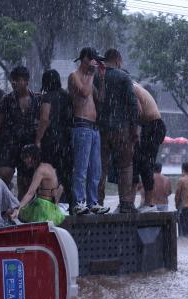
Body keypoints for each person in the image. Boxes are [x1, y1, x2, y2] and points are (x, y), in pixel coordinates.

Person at [95, 48, 140, 213]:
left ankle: (98, 202)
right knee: (125, 165)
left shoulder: (96, 76)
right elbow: (132, 104)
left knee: (101, 166)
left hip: (100, 129)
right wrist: (134, 129)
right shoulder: (123, 77)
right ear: (118, 59)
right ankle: (126, 203)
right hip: (122, 129)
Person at [68, 47, 109, 215]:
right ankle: (78, 202)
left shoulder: (91, 79)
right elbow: (84, 93)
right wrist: (92, 74)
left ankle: (93, 202)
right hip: (81, 126)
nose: (94, 63)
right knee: (81, 168)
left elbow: (101, 98)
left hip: (94, 128)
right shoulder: (74, 76)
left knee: (95, 169)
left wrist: (102, 78)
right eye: (92, 60)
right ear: (84, 59)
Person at [0, 66, 40, 194]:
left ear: (26, 81)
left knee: (25, 181)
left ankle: (22, 211)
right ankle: (2, 205)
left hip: (28, 145)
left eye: (18, 79)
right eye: (12, 80)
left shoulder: (37, 100)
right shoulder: (6, 99)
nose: (14, 83)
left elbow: (42, 122)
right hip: (9, 143)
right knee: (3, 174)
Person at [35, 69, 75, 210]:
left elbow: (44, 119)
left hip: (51, 141)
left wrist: (38, 139)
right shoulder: (67, 96)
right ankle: (72, 204)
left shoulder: (47, 97)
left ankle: (48, 206)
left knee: (49, 173)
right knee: (66, 174)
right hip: (66, 140)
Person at [131, 81, 166, 211]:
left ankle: (149, 204)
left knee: (146, 164)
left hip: (153, 127)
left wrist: (132, 129)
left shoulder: (131, 87)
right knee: (138, 163)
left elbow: (138, 111)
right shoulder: (135, 85)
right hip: (151, 127)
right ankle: (131, 202)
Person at [16, 144, 66, 226]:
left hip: (42, 207)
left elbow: (30, 193)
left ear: (34, 157)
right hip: (50, 206)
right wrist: (55, 205)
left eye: (26, 157)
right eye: (23, 157)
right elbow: (60, 187)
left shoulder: (40, 171)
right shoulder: (48, 166)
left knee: (19, 213)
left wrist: (19, 208)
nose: (24, 160)